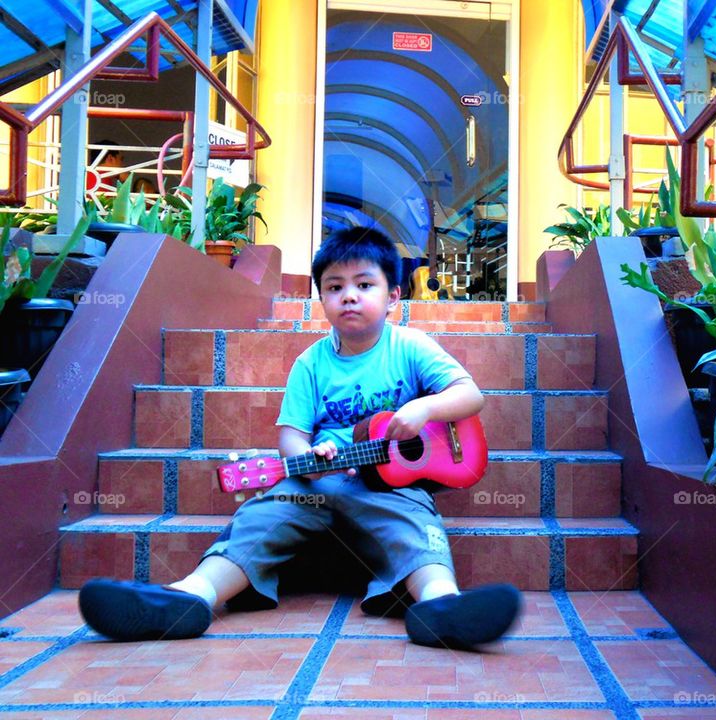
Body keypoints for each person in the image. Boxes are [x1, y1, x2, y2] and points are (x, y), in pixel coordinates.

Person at [78, 226, 521, 649]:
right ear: (322, 300)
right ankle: (190, 596)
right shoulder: (310, 364)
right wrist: (309, 455)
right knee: (260, 516)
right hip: (319, 481)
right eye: (334, 287)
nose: (349, 295)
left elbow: (470, 395)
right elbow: (289, 438)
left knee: (417, 528)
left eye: (365, 285)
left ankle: (442, 607)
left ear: (393, 298)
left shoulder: (410, 346)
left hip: (392, 487)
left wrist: (423, 408)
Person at [87, 139, 159, 194]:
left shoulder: (89, 176)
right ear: (110, 158)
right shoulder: (100, 181)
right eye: (121, 159)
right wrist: (125, 184)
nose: (123, 165)